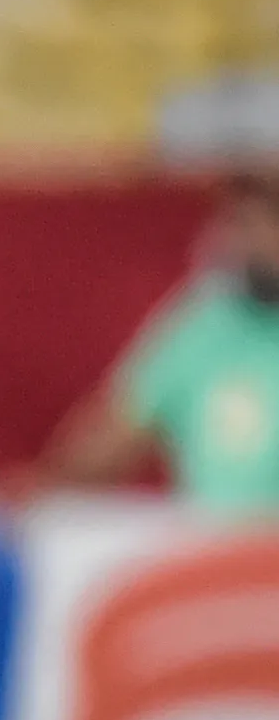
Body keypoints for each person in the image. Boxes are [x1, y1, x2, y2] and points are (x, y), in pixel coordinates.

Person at [41, 171, 279, 515]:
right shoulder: (206, 325)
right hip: (216, 556)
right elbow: (106, 443)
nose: (246, 240)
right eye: (238, 221)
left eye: (263, 222)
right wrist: (43, 490)